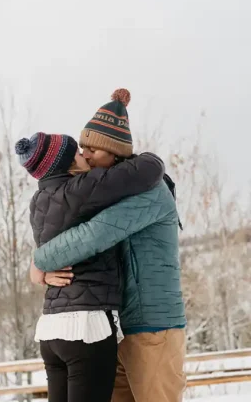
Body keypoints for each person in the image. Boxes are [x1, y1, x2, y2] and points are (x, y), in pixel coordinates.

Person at [33, 89, 187, 402]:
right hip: (119, 325)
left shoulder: (151, 192)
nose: (85, 154)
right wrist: (42, 271)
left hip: (154, 329)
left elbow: (92, 236)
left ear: (114, 152)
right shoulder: (109, 189)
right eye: (82, 147)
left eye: (92, 148)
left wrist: (38, 262)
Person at [16, 130, 165, 402]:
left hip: (52, 329)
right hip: (86, 328)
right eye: (77, 152)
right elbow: (149, 169)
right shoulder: (82, 189)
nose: (84, 155)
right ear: (66, 163)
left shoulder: (37, 201)